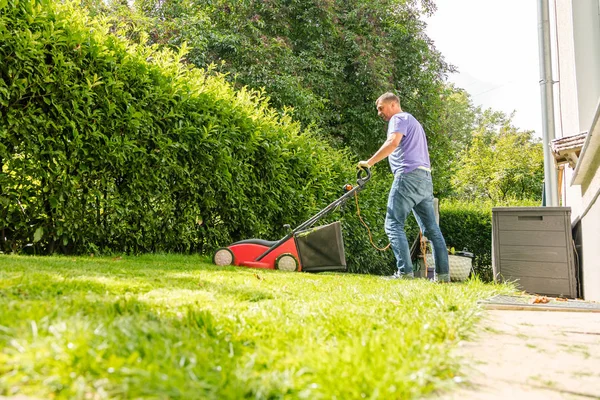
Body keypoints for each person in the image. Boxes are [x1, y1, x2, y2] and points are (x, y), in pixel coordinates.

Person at [357, 92, 449, 282]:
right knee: (432, 229)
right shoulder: (413, 121)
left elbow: (393, 142)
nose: (379, 113)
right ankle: (443, 277)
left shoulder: (398, 118)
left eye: (380, 108)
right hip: (425, 179)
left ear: (392, 104)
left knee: (393, 224)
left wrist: (370, 162)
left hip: (408, 176)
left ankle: (404, 273)